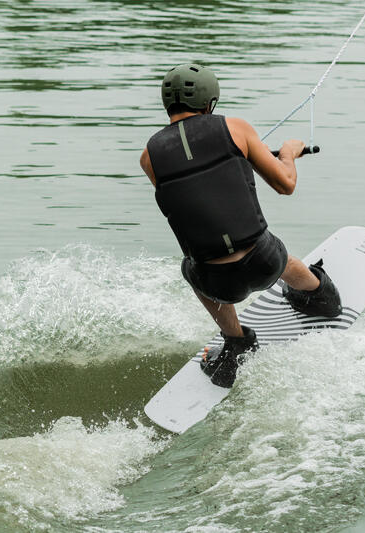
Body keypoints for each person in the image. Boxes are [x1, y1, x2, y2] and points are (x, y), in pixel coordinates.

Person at [139, 63, 342, 388]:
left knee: (189, 266)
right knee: (266, 243)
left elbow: (195, 189)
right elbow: (285, 184)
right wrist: (287, 153)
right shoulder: (236, 128)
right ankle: (321, 295)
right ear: (210, 103)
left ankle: (236, 340)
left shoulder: (149, 157)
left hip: (216, 283)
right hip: (265, 264)